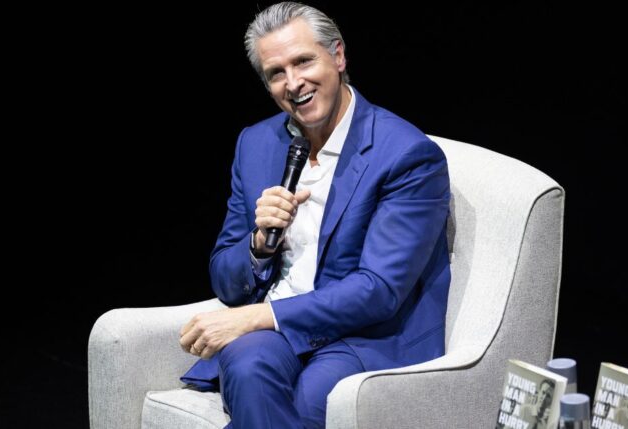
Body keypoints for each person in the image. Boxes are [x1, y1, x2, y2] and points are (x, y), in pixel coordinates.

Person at [178, 2, 451, 428]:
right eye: (276, 73)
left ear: (338, 57)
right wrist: (258, 243)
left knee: (308, 404)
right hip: (277, 332)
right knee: (247, 368)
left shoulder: (406, 155)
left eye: (304, 61)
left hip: (365, 335)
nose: (293, 83)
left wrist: (259, 316)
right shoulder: (255, 144)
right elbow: (224, 279)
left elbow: (379, 289)